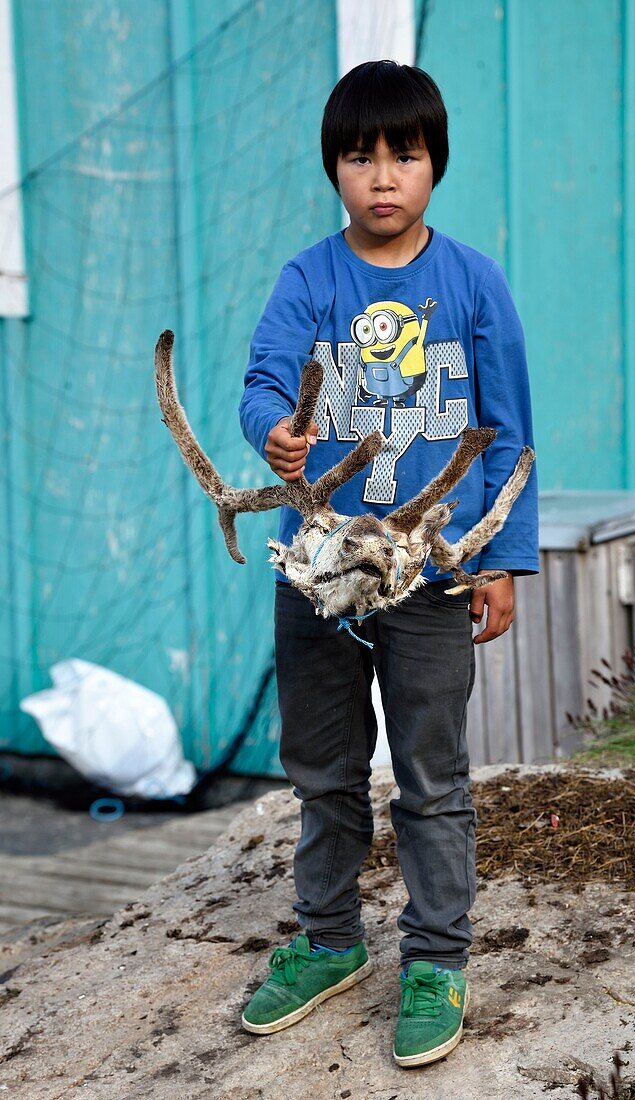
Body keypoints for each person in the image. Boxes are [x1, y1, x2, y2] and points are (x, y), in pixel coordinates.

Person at [238, 60, 539, 1068]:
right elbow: (266, 378)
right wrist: (278, 433)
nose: (381, 176)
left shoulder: (473, 282)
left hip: (431, 574)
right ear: (334, 166)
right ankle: (329, 939)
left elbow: (506, 430)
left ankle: (436, 958)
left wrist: (499, 560)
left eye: (402, 154)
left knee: (431, 773)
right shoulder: (306, 279)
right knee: (323, 770)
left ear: (433, 164)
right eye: (360, 155)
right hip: (320, 570)